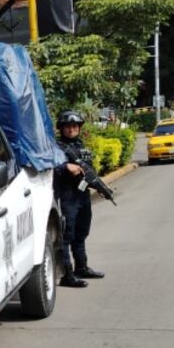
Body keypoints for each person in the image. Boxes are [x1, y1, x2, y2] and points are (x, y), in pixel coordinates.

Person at [54, 111, 105, 288]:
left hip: (82, 195)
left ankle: (81, 267)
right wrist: (64, 166)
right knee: (67, 235)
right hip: (67, 196)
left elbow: (89, 168)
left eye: (74, 126)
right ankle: (67, 275)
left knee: (81, 233)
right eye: (67, 127)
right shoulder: (56, 148)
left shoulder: (80, 145)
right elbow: (49, 165)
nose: (71, 129)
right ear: (61, 128)